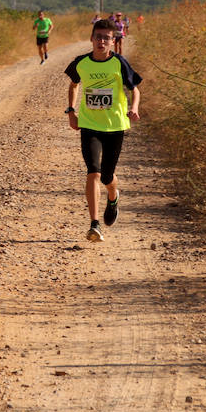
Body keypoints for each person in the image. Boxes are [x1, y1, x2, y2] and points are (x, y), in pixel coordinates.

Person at [64, 18, 142, 243]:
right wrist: (71, 111)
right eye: (98, 37)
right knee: (93, 172)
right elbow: (74, 84)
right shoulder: (81, 63)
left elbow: (134, 89)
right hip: (89, 125)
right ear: (91, 38)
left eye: (106, 38)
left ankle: (113, 195)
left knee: (108, 176)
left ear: (112, 40)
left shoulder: (119, 62)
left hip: (115, 126)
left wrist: (134, 107)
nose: (102, 41)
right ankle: (94, 224)